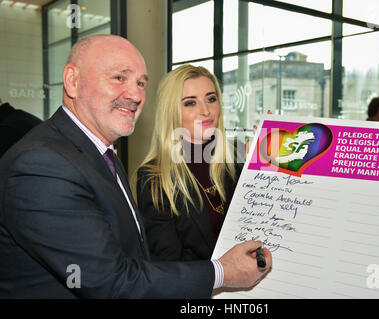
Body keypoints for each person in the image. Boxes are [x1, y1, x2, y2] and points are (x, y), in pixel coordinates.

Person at [0, 35, 271, 298]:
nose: (135, 94)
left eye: (141, 83)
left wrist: (266, 158)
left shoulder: (103, 154)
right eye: (119, 77)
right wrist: (223, 272)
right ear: (72, 81)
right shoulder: (42, 164)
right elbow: (111, 281)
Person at [136, 65, 246, 262]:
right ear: (171, 111)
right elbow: (169, 266)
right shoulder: (155, 177)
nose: (205, 111)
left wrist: (266, 166)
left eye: (211, 99)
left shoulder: (238, 155)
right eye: (190, 103)